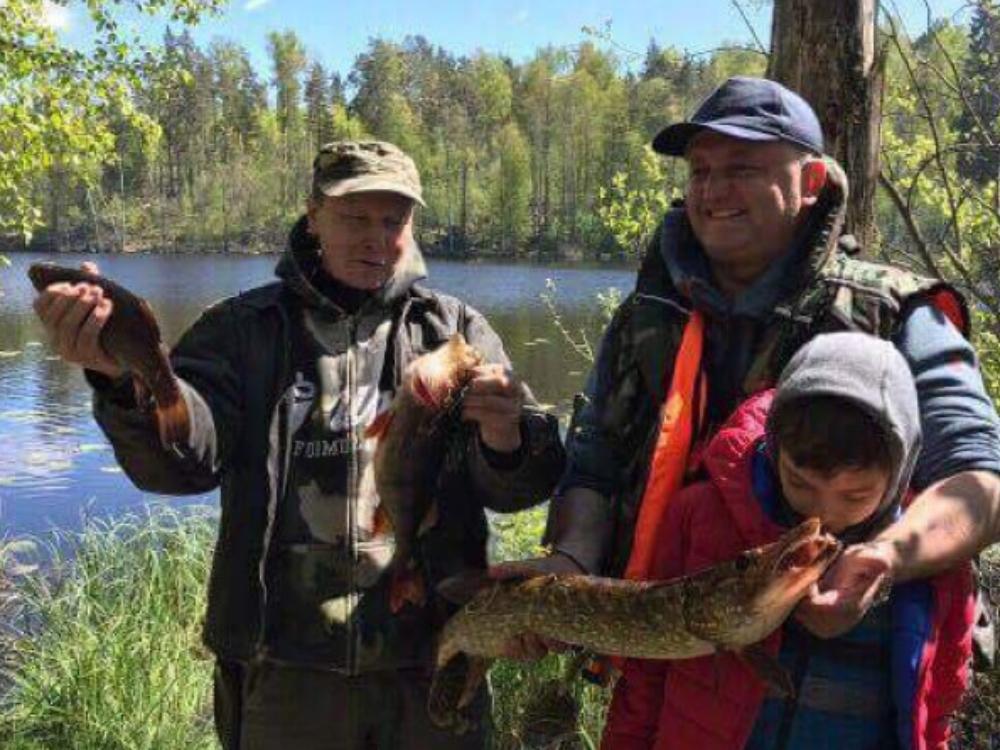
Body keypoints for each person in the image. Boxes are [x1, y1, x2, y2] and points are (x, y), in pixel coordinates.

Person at [32, 140, 565, 749]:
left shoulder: (455, 332)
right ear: (313, 217)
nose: (376, 238)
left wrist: (507, 435)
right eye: (355, 217)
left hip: (434, 653)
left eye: (393, 220)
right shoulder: (242, 332)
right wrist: (121, 381)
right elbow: (181, 465)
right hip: (282, 668)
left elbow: (519, 488)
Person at [511, 76, 1000, 657]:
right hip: (671, 657)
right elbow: (592, 468)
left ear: (811, 181)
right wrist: (571, 561)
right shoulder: (647, 317)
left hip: (842, 669)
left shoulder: (895, 313)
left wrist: (884, 558)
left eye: (742, 168)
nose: (714, 190)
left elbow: (982, 482)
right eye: (700, 170)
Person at [601, 332, 976, 750]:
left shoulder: (937, 565)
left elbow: (936, 703)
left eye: (855, 495)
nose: (825, 513)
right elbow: (644, 680)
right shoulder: (700, 516)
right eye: (800, 482)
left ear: (900, 472)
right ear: (774, 449)